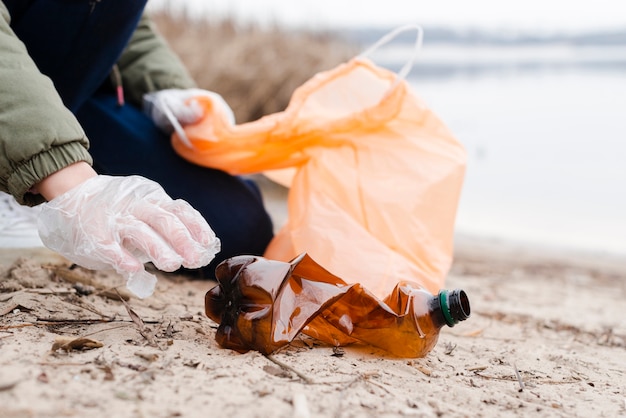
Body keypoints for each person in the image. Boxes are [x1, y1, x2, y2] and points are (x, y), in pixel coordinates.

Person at [0, 1, 274, 297]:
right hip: (11, 91)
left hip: (78, 99)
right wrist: (64, 177)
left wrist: (170, 87)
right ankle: (20, 185)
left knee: (239, 228)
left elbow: (115, 19)